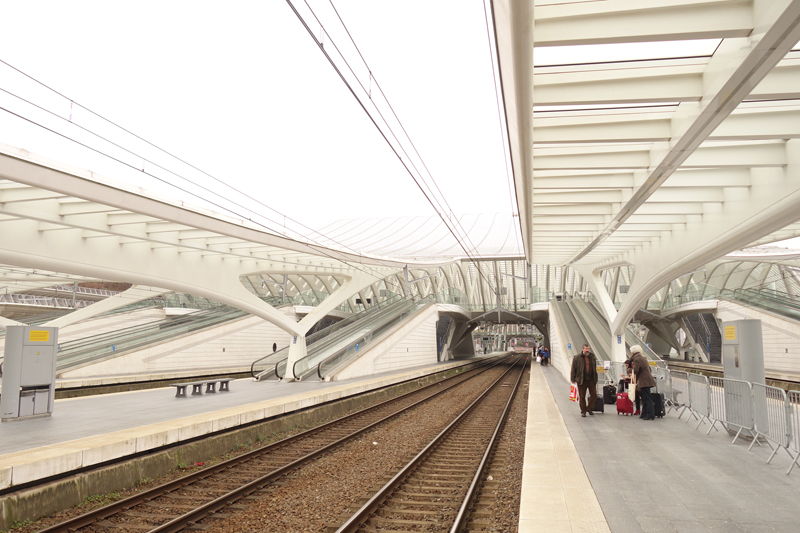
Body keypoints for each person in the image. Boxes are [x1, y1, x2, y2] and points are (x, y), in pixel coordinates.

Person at [570, 344, 598, 417]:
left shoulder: (592, 357)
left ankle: (589, 408)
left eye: (588, 349)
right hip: (582, 380)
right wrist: (573, 379)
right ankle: (583, 411)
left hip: (591, 379)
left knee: (594, 395)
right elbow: (573, 369)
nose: (587, 350)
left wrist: (596, 377)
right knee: (582, 397)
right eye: (586, 349)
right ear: (582, 349)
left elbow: (595, 368)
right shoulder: (577, 358)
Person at [629, 345, 656, 420]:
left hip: (644, 381)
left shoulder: (637, 359)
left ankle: (650, 414)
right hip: (646, 380)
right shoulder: (641, 358)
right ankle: (644, 414)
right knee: (645, 398)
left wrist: (629, 370)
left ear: (633, 352)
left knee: (647, 398)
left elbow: (636, 370)